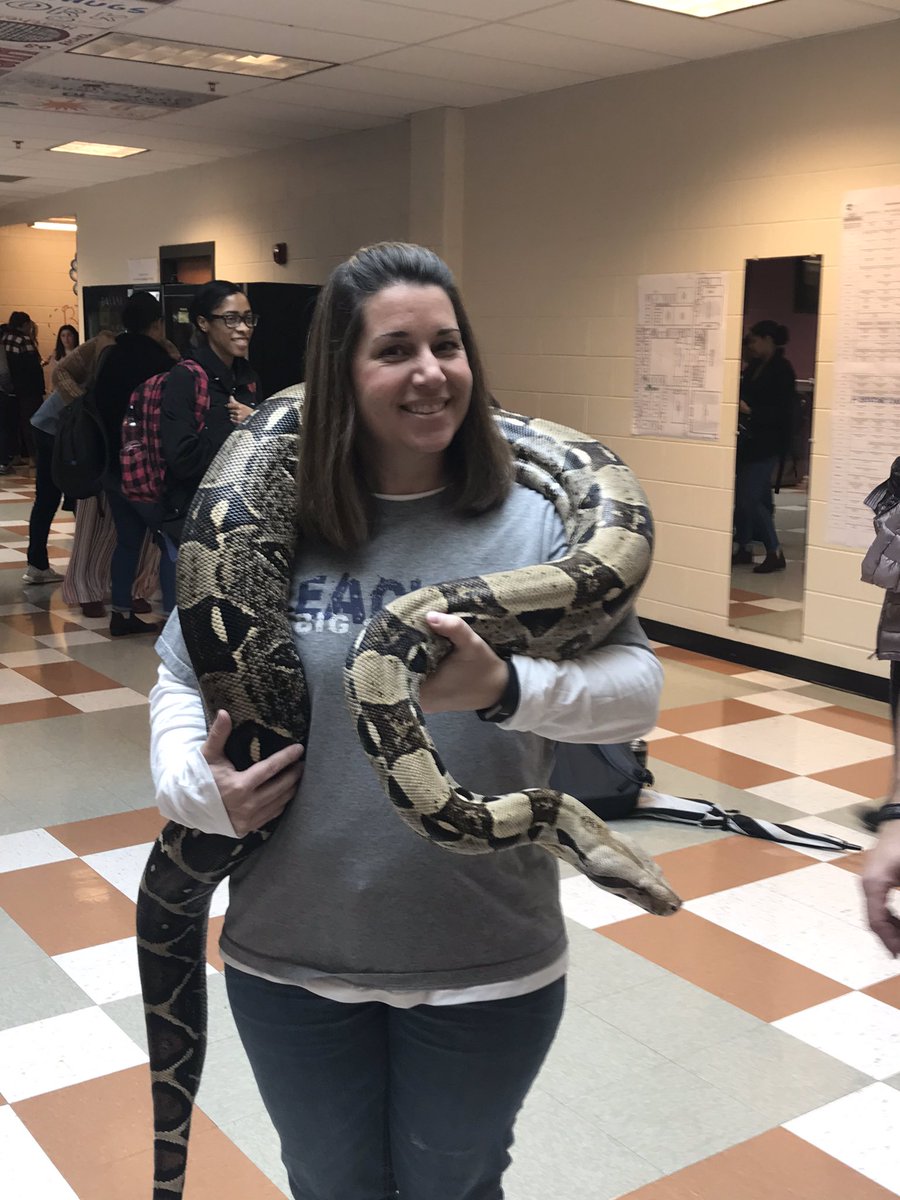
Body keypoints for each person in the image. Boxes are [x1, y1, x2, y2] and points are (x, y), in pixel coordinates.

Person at [149, 242, 663, 1200]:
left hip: (484, 956)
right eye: (395, 350)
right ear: (342, 373)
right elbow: (179, 680)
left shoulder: (535, 525)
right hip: (291, 952)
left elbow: (637, 690)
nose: (430, 373)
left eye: (448, 344)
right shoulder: (270, 513)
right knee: (328, 1182)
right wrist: (195, 789)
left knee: (455, 1184)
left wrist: (507, 687)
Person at [56, 331, 161, 618]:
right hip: (100, 443)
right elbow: (61, 371)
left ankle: (134, 589)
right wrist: (83, 403)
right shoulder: (102, 344)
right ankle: (87, 588)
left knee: (139, 534)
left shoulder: (162, 348)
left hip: (135, 446)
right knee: (96, 522)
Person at [94, 291, 180, 635]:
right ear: (157, 324)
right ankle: (172, 620)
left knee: (127, 541)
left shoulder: (110, 357)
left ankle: (120, 613)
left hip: (114, 467)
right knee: (169, 542)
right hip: (150, 471)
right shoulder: (161, 362)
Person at [158, 279, 261, 547]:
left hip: (240, 519)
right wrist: (240, 429)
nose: (243, 328)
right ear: (204, 323)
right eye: (231, 319)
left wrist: (254, 421)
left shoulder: (248, 378)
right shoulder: (185, 378)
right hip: (191, 523)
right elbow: (182, 459)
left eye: (248, 319)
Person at [732, 319, 796, 574]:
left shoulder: (782, 370)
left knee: (749, 498)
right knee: (748, 497)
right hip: (749, 441)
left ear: (768, 339)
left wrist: (751, 410)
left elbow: (782, 412)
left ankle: (774, 550)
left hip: (768, 443)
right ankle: (744, 547)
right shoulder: (755, 367)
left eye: (754, 340)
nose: (752, 346)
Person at [1, 311, 44, 466]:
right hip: (29, 389)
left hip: (10, 389)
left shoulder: (5, 338)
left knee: (14, 424)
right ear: (25, 324)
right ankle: (34, 456)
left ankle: (15, 455)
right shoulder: (24, 340)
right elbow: (33, 366)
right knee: (31, 422)